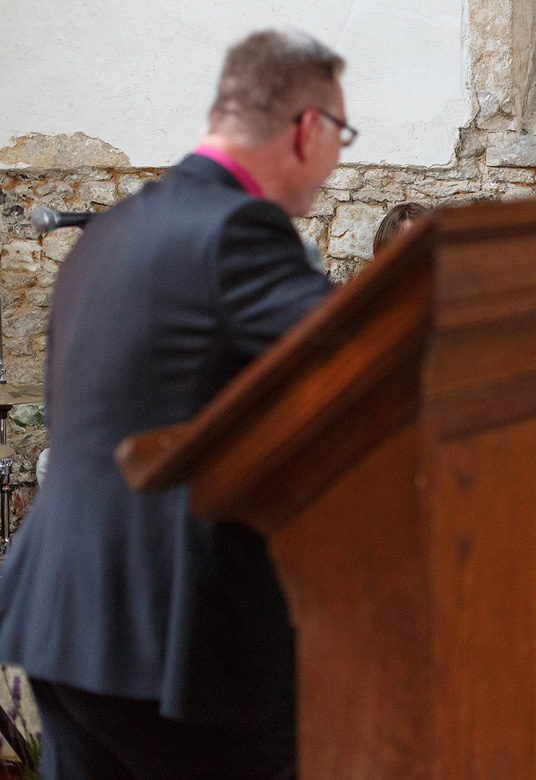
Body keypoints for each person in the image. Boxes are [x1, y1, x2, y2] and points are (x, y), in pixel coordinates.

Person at [0, 30, 351, 779]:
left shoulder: (111, 231)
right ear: (307, 129)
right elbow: (359, 364)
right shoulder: (240, 229)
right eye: (341, 135)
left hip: (63, 617)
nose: (337, 160)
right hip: (167, 636)